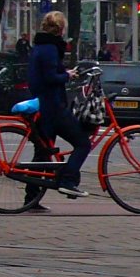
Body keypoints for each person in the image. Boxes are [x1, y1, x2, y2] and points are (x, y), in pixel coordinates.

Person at [26, 11, 92, 206]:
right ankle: (68, 180)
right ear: (60, 29)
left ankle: (31, 198)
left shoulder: (40, 46)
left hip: (43, 106)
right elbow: (50, 77)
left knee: (43, 154)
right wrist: (67, 76)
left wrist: (63, 72)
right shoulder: (50, 48)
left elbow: (46, 72)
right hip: (52, 107)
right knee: (83, 143)